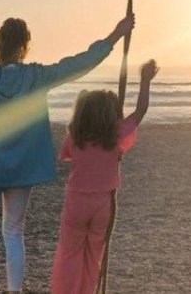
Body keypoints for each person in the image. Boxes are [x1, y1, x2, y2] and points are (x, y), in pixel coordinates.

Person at [0, 14, 136, 294]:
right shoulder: (36, 77)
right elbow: (78, 64)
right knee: (14, 232)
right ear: (25, 45)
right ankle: (14, 290)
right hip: (22, 167)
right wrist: (115, 35)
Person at [50, 60, 159, 293]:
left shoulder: (76, 137)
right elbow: (139, 112)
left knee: (70, 254)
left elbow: (67, 156)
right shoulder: (115, 135)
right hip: (103, 202)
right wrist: (145, 82)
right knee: (93, 255)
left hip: (76, 201)